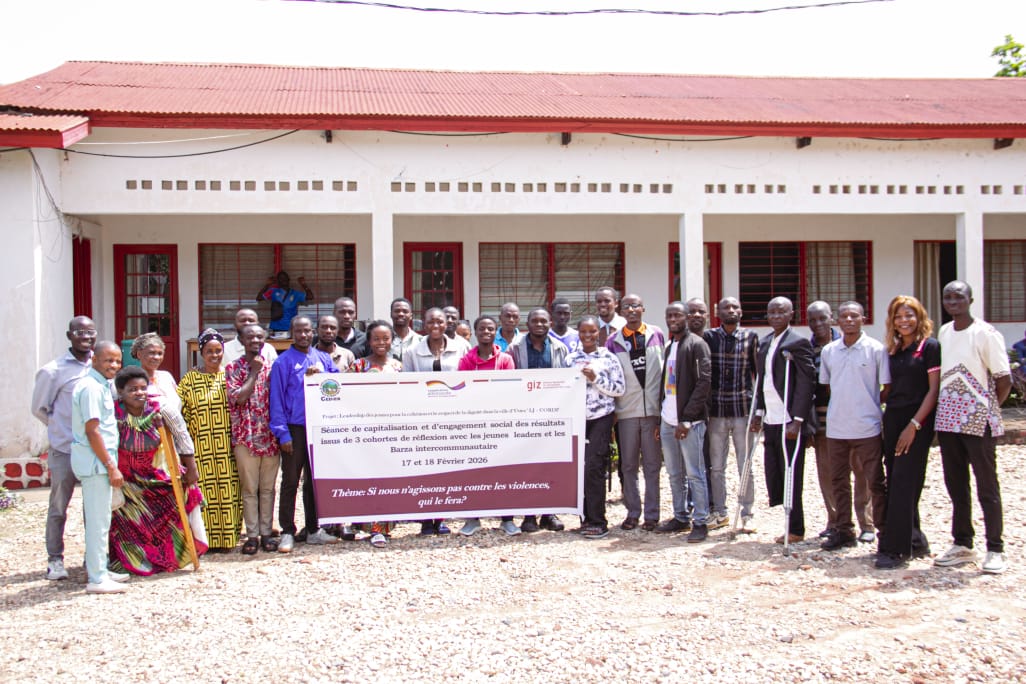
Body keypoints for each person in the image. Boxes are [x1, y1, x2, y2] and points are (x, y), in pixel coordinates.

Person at [933, 280, 1012, 574]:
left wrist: (987, 408)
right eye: (948, 297)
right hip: (949, 419)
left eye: (958, 297)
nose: (953, 301)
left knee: (986, 486)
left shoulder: (985, 334)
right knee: (956, 484)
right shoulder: (944, 331)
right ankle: (963, 543)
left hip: (978, 420)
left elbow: (1003, 379)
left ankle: (996, 548)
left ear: (971, 299)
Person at [110, 365, 209, 575]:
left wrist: (191, 469)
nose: (139, 393)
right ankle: (133, 561)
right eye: (132, 389)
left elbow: (182, 436)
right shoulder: (113, 412)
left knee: (182, 498)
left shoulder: (161, 408)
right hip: (127, 479)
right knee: (125, 519)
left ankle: (170, 558)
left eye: (142, 388)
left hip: (157, 472)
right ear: (121, 392)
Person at [818, 302, 890, 552]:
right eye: (844, 316)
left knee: (874, 481)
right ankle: (844, 529)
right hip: (836, 427)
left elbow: (886, 388)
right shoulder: (829, 351)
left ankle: (878, 529)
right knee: (838, 480)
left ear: (863, 319)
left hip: (867, 427)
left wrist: (866, 404)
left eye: (854, 316)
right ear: (837, 321)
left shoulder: (876, 350)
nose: (848, 319)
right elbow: (828, 386)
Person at [875, 296, 939, 569]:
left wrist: (913, 426)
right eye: (898, 316)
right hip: (893, 419)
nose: (904, 321)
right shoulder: (894, 350)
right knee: (896, 479)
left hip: (916, 422)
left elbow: (933, 391)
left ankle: (896, 549)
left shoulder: (929, 347)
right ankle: (915, 539)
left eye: (909, 315)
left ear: (919, 317)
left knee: (904, 481)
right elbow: (888, 390)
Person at [31, 315, 96, 581]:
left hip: (94, 450)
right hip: (65, 449)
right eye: (79, 332)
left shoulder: (100, 364)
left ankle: (91, 557)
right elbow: (39, 409)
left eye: (90, 332)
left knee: (93, 507)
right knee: (59, 506)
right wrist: (61, 427)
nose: (86, 336)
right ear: (69, 336)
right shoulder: (52, 371)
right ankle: (55, 559)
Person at [270, 316, 341, 552]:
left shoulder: (322, 358)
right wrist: (283, 434)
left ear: (313, 333)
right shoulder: (283, 362)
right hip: (294, 429)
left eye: (307, 331)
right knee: (290, 481)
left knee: (313, 482)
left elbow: (337, 385)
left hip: (317, 428)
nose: (303, 335)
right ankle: (287, 531)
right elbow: (277, 401)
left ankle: (313, 529)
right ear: (292, 333)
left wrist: (320, 375)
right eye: (298, 331)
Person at [751, 297, 816, 545]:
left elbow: (805, 382)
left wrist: (798, 420)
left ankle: (796, 528)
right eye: (772, 312)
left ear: (791, 314)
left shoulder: (797, 342)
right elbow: (761, 381)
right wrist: (758, 413)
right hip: (771, 418)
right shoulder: (766, 342)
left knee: (792, 473)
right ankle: (786, 519)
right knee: (775, 471)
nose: (776, 316)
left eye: (782, 312)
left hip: (790, 419)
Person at [178, 328, 243, 552]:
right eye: (209, 351)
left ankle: (227, 540)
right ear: (201, 352)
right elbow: (180, 417)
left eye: (218, 350)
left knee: (229, 492)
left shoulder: (230, 376)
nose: (214, 355)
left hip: (227, 448)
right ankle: (203, 540)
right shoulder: (189, 380)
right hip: (200, 449)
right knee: (204, 493)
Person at [70, 340, 126, 593]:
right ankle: (96, 578)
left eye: (117, 361)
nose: (113, 365)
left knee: (102, 519)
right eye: (108, 360)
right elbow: (92, 431)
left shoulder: (101, 385)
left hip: (99, 462)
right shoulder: (91, 388)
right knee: (97, 522)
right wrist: (111, 466)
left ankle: (100, 568)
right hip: (96, 464)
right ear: (94, 359)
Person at [606, 294, 665, 532]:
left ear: (643, 308)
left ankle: (652, 515)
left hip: (652, 412)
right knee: (628, 465)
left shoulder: (657, 334)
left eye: (635, 305)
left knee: (652, 465)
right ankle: (632, 513)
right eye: (626, 307)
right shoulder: (613, 340)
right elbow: (610, 376)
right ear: (621, 311)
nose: (631, 310)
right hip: (626, 412)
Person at [402, 307, 463, 535]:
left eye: (440, 321)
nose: (435, 325)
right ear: (423, 324)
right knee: (425, 468)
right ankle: (426, 519)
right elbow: (407, 386)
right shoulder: (411, 351)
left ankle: (442, 517)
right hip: (423, 418)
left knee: (447, 469)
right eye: (430, 322)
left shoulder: (461, 348)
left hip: (452, 417)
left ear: (447, 323)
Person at [457, 315, 519, 536]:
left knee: (504, 471)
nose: (486, 332)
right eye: (481, 328)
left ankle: (507, 519)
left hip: (500, 423)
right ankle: (472, 519)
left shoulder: (505, 360)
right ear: (475, 332)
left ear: (496, 332)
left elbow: (509, 390)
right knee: (473, 472)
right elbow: (462, 391)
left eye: (490, 329)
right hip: (474, 424)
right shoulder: (466, 360)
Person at [657, 301, 712, 542]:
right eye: (669, 315)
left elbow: (703, 384)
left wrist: (687, 419)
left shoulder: (697, 345)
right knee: (673, 473)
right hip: (667, 420)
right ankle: (680, 516)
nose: (673, 319)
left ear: (687, 317)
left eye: (677, 315)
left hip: (688, 423)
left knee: (695, 472)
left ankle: (700, 521)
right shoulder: (671, 345)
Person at [565, 316, 625, 538]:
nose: (588, 336)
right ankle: (585, 518)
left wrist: (596, 378)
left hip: (601, 417)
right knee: (579, 469)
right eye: (583, 332)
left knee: (594, 467)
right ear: (578, 333)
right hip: (577, 419)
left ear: (599, 333)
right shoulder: (570, 359)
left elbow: (619, 389)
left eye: (592, 332)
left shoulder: (608, 358)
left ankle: (599, 521)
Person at [511, 308, 571, 533]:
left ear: (550, 323)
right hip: (524, 416)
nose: (539, 324)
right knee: (527, 465)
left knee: (551, 464)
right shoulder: (515, 348)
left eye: (543, 321)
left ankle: (549, 513)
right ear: (527, 323)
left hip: (553, 415)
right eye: (534, 320)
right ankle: (529, 515)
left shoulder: (560, 348)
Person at [703, 297, 759, 532]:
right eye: (726, 307)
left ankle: (747, 513)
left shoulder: (750, 338)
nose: (731, 310)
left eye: (735, 307)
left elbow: (758, 375)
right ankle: (721, 512)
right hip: (716, 411)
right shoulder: (709, 337)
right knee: (717, 467)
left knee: (745, 464)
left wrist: (758, 411)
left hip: (742, 410)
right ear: (718, 312)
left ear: (741, 312)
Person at [225, 323, 280, 555]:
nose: (255, 341)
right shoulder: (233, 368)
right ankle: (252, 535)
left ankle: (267, 532)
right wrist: (253, 372)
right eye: (250, 337)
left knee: (268, 488)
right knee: (249, 489)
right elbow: (238, 398)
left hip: (269, 437)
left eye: (260, 337)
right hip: (245, 437)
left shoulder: (273, 368)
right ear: (241, 340)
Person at [348, 320, 404, 547]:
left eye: (386, 338)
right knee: (368, 478)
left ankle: (387, 524)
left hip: (392, 430)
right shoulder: (359, 366)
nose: (381, 343)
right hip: (366, 432)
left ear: (392, 340)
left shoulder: (399, 366)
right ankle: (371, 527)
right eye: (376, 339)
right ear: (369, 341)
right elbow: (345, 395)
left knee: (389, 478)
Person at [130, 333, 200, 487]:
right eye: (151, 353)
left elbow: (178, 413)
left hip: (176, 443)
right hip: (149, 449)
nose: (156, 357)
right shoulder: (132, 381)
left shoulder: (166, 377)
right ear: (139, 354)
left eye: (159, 353)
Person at [806, 301, 844, 539]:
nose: (818, 324)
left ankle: (865, 522)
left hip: (850, 421)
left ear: (832, 318)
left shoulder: (846, 344)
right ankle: (835, 520)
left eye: (822, 318)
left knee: (859, 473)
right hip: (822, 423)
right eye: (812, 320)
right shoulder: (806, 350)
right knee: (828, 474)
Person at [259, 270, 313, 336]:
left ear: (288, 279)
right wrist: (267, 285)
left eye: (285, 278)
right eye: (281, 278)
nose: (283, 280)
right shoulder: (273, 291)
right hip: (276, 327)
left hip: (290, 327)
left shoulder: (295, 293)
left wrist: (304, 285)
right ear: (278, 281)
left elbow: (310, 297)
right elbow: (259, 298)